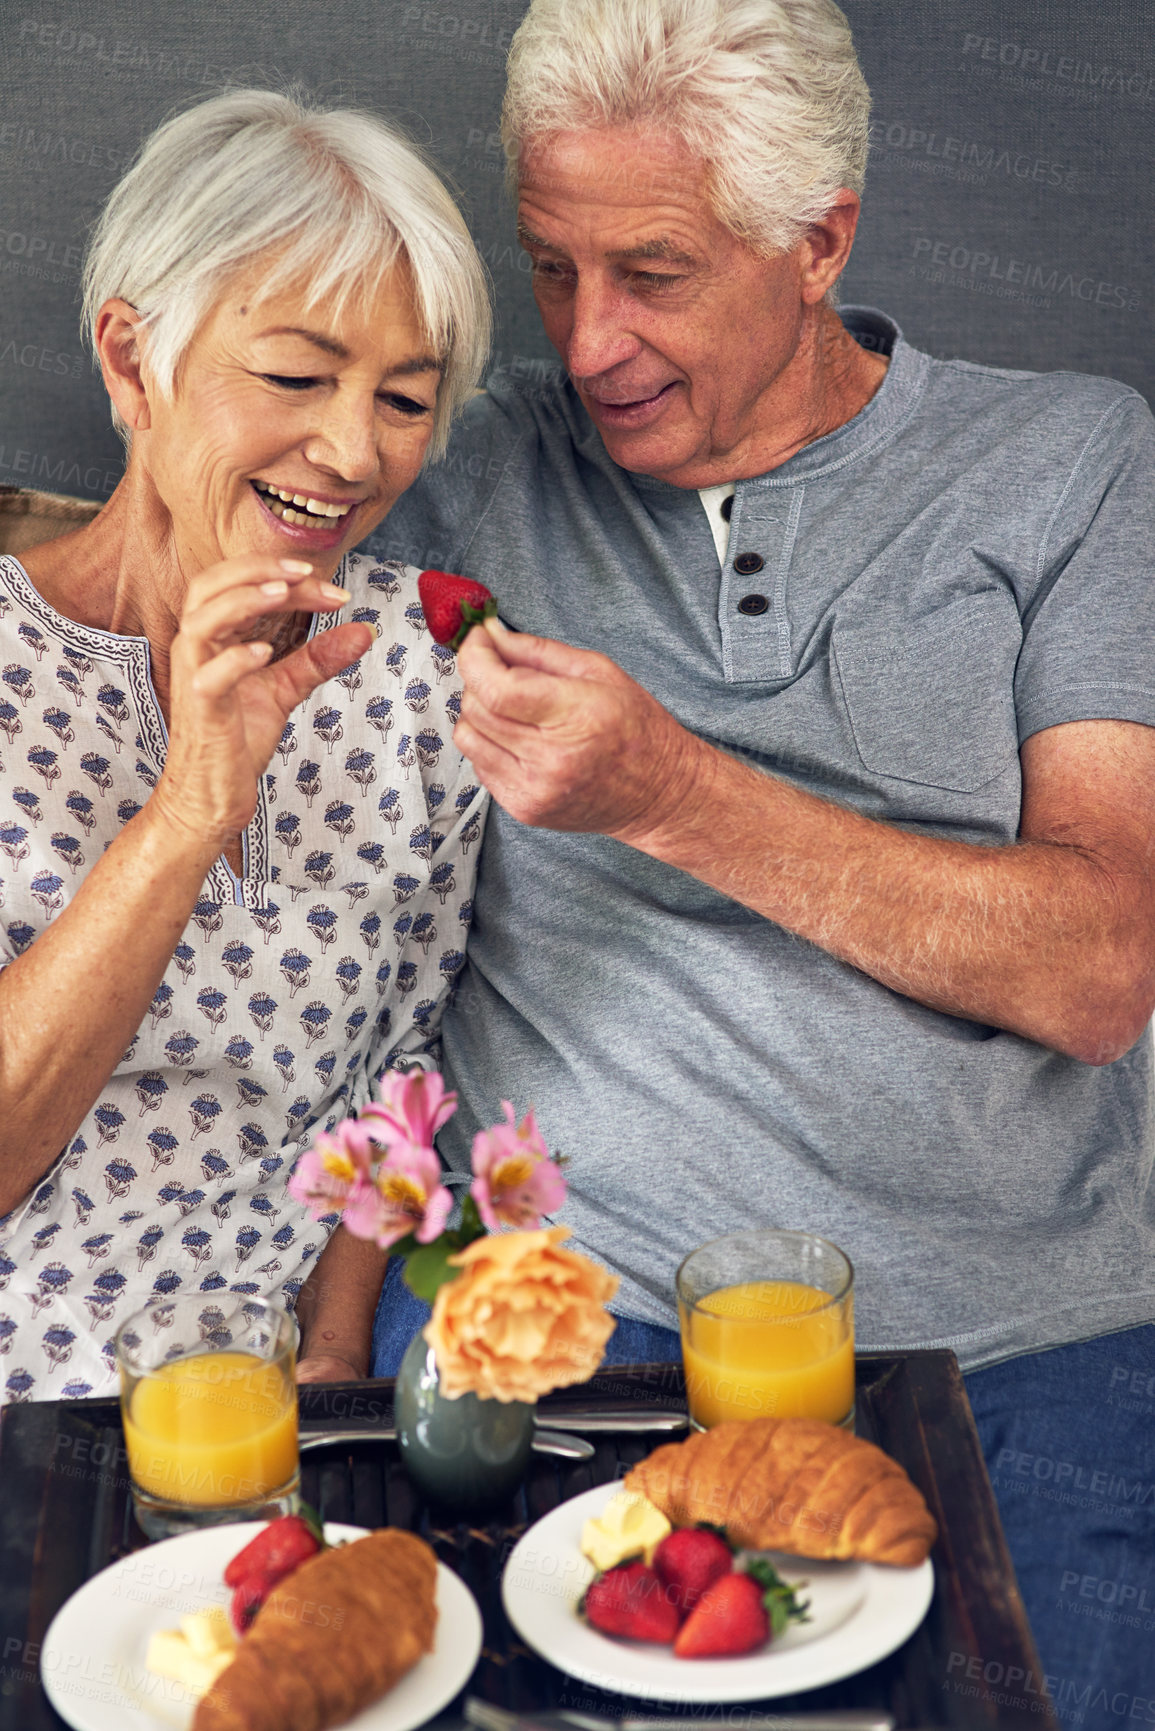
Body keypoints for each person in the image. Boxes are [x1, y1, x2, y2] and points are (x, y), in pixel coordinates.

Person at [367, 2, 1155, 1724]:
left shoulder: (1073, 461)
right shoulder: (461, 458)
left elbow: (1103, 966)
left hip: (1037, 1333)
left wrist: (669, 790)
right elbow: (192, 519)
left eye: (653, 271)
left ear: (822, 240)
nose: (587, 343)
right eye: (552, 268)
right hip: (589, 1318)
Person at [0, 87, 491, 1402]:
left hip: (284, 1406)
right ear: (129, 358)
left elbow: (400, 1086)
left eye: (403, 398)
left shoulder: (414, 674)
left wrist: (333, 1366)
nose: (350, 452)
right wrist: (186, 818)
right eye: (293, 376)